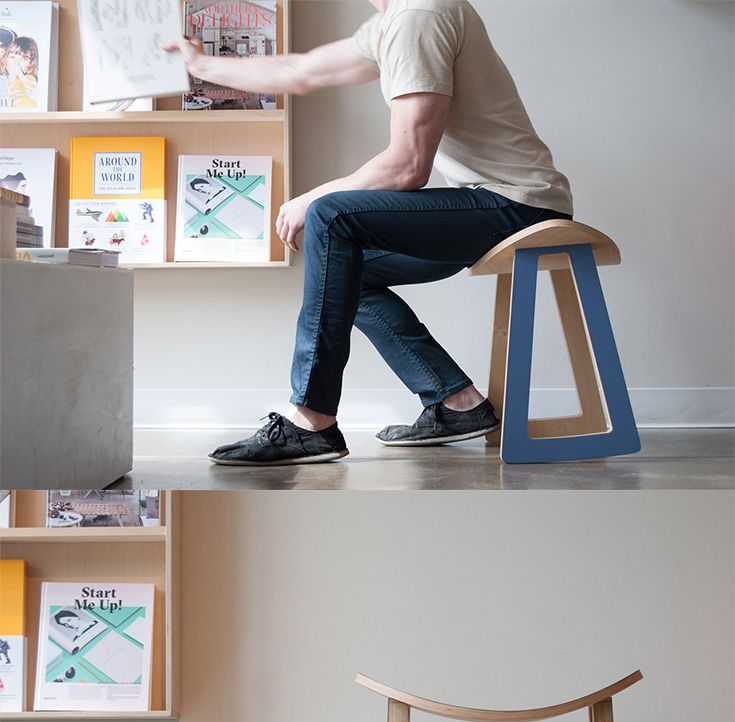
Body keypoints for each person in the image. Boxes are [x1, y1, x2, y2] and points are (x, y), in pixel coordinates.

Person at [165, 0, 572, 466]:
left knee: (332, 216)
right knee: (347, 271)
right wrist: (200, 64)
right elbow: (300, 71)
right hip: (495, 202)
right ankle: (457, 403)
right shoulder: (394, 22)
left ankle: (310, 421)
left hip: (517, 204)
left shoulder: (420, 15)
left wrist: (311, 198)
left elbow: (408, 166)